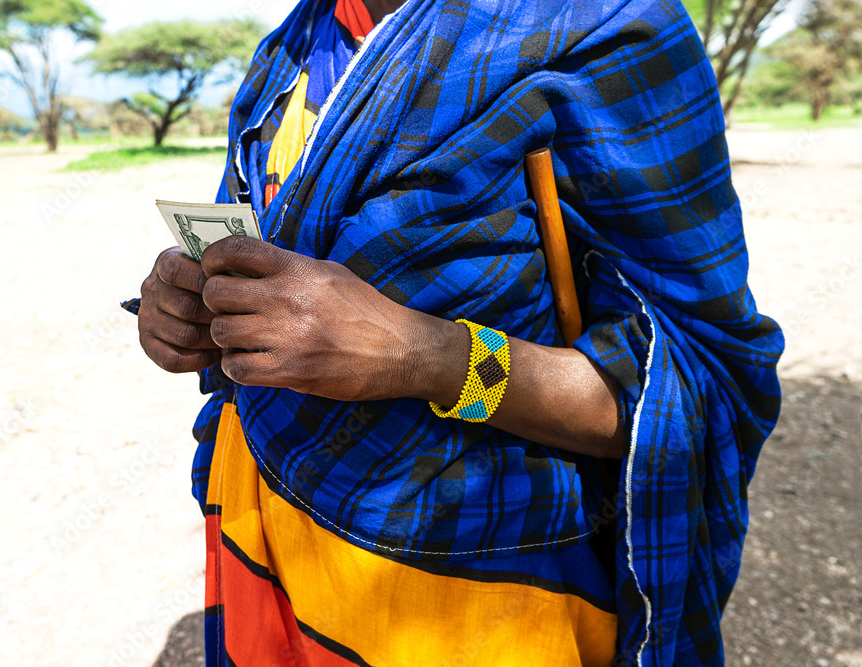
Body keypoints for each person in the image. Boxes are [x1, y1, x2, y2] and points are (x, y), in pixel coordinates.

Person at [131, 0, 784, 664]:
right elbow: (258, 257)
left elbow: (699, 386)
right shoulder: (293, 49)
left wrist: (425, 355)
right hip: (260, 541)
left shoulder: (605, 26)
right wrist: (192, 313)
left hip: (477, 599)